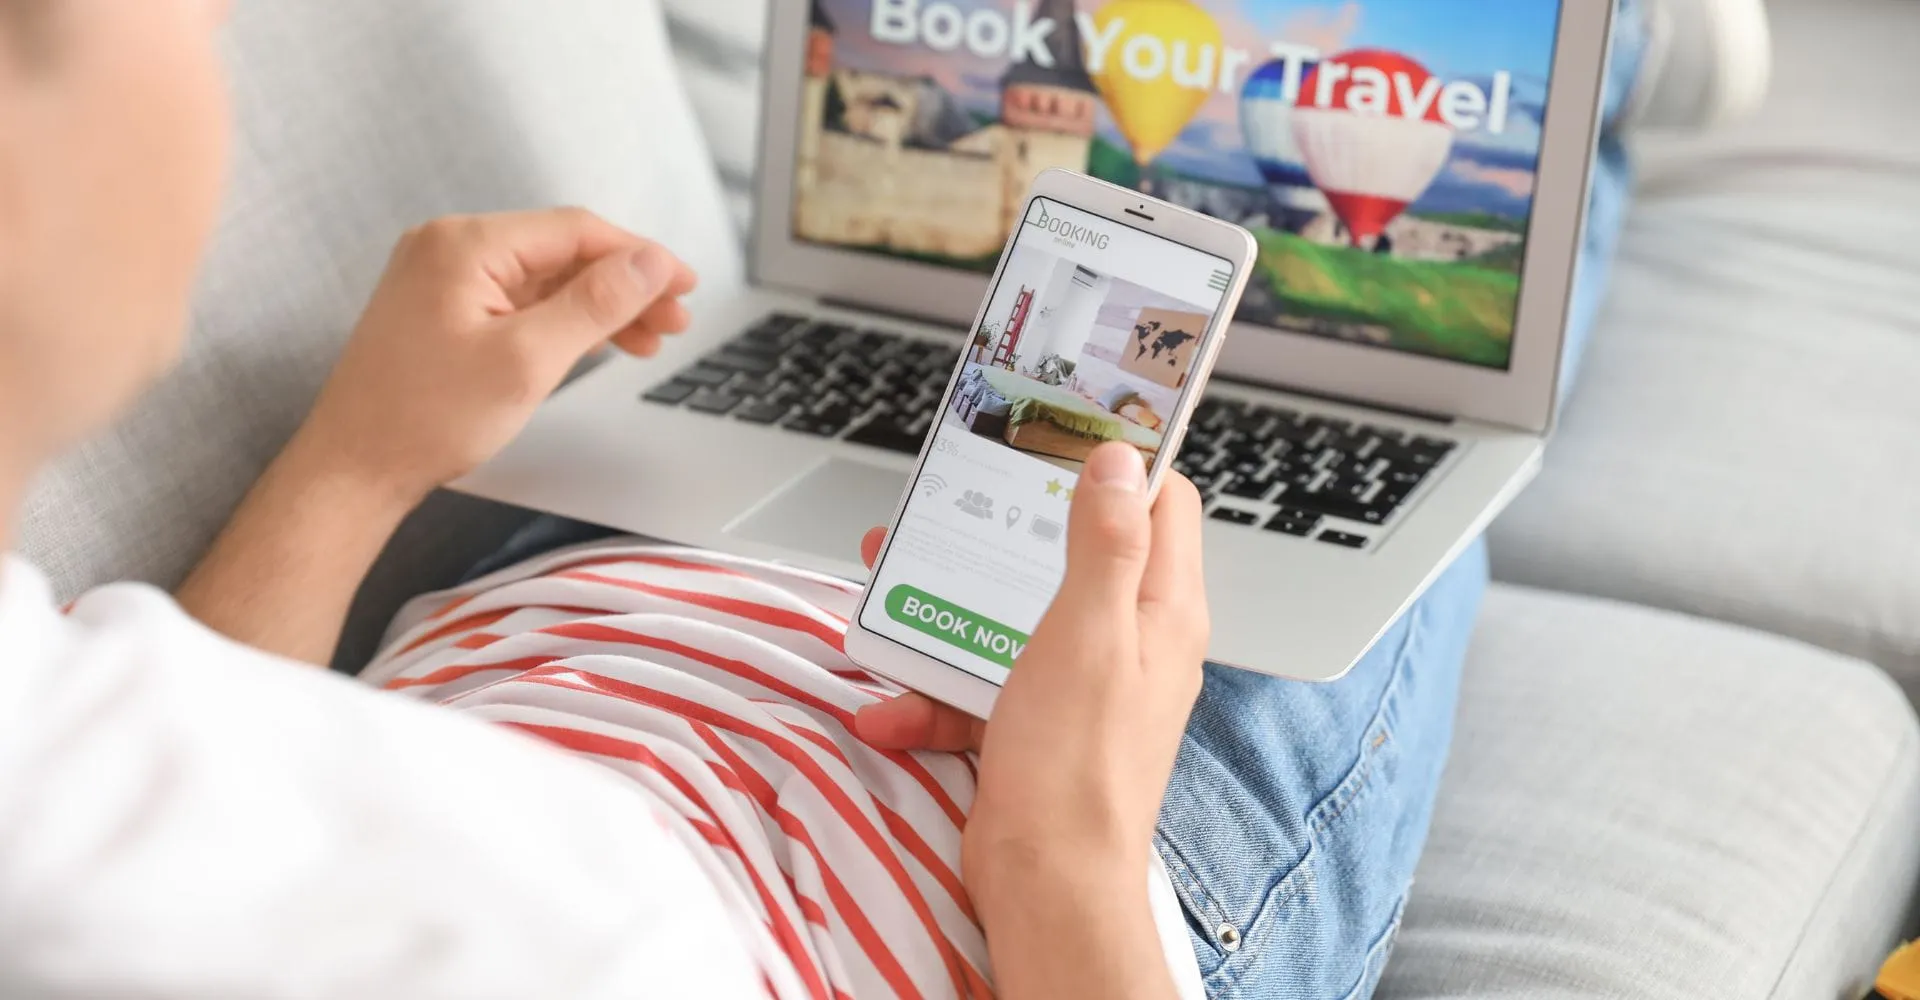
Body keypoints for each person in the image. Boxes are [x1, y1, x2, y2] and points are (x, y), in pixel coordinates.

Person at [0, 0, 1767, 998]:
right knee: (1389, 364)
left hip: (594, 594)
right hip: (1099, 843)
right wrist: (1063, 840)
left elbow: (162, 764)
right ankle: (1620, 68)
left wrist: (358, 458)